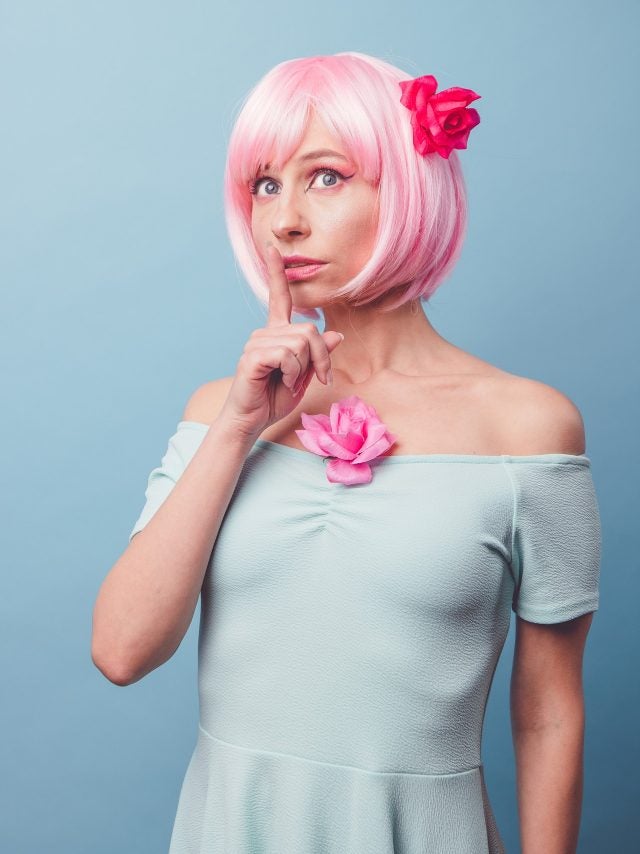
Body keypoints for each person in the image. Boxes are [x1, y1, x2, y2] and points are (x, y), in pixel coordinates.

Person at [92, 51, 601, 854]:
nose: (284, 221)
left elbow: (548, 714)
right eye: (265, 184)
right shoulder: (222, 413)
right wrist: (236, 429)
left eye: (325, 177)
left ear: (408, 186)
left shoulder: (528, 429)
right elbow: (121, 651)